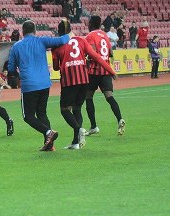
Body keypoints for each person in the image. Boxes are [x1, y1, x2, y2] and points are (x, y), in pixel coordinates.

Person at [7, 20, 72, 151]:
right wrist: (69, 33)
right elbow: (62, 40)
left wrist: (17, 77)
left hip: (29, 85)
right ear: (35, 31)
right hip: (45, 83)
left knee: (28, 116)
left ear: (22, 32)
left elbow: (11, 69)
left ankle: (48, 133)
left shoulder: (16, 47)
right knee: (42, 113)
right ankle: (49, 144)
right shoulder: (42, 41)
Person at [52, 20, 116, 150]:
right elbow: (97, 57)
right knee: (77, 109)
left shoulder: (57, 45)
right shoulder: (81, 40)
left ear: (59, 31)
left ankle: (78, 129)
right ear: (71, 29)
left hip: (69, 81)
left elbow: (55, 68)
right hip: (84, 80)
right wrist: (111, 71)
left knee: (65, 110)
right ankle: (76, 142)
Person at [84, 16, 126, 137]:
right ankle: (120, 119)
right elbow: (111, 53)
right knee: (109, 96)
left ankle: (93, 126)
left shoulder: (90, 36)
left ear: (91, 24)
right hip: (106, 71)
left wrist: (86, 57)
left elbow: (92, 53)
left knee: (88, 96)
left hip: (93, 71)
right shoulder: (104, 35)